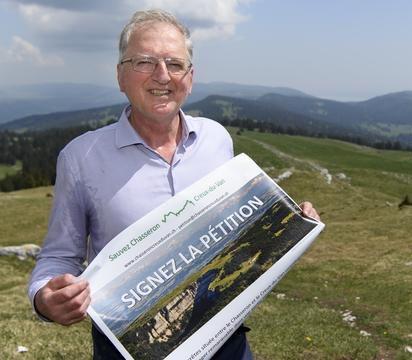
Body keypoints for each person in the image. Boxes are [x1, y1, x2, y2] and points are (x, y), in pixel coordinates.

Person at [27, 9, 320, 360]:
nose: (162, 75)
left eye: (175, 64)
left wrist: (290, 223)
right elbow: (59, 255)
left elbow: (237, 232)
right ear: (121, 75)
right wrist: (45, 299)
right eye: (145, 62)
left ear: (191, 78)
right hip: (130, 348)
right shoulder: (80, 158)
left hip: (227, 343)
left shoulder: (217, 139)